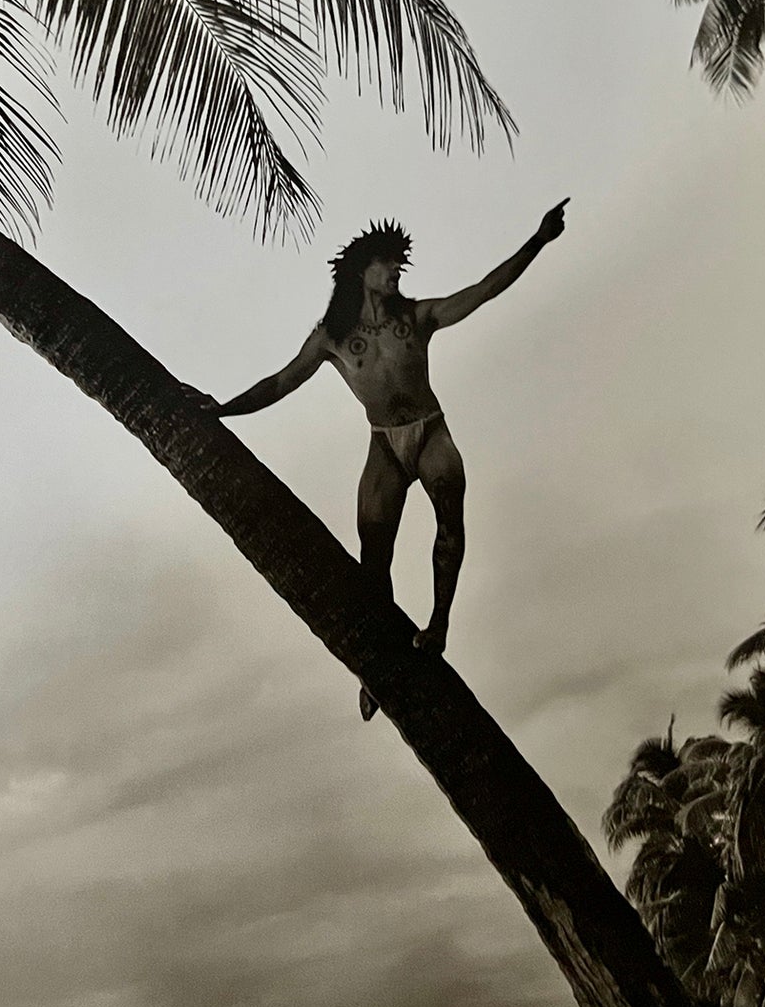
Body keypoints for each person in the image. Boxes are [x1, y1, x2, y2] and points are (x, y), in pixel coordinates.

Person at [196, 201, 569, 718]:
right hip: (383, 445)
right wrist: (226, 410)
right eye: (387, 263)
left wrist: (538, 240)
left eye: (399, 264)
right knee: (374, 560)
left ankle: (438, 625)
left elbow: (483, 290)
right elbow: (282, 381)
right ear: (361, 271)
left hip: (430, 431)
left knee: (449, 522)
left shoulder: (418, 317)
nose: (397, 271)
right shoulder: (332, 338)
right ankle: (377, 667)